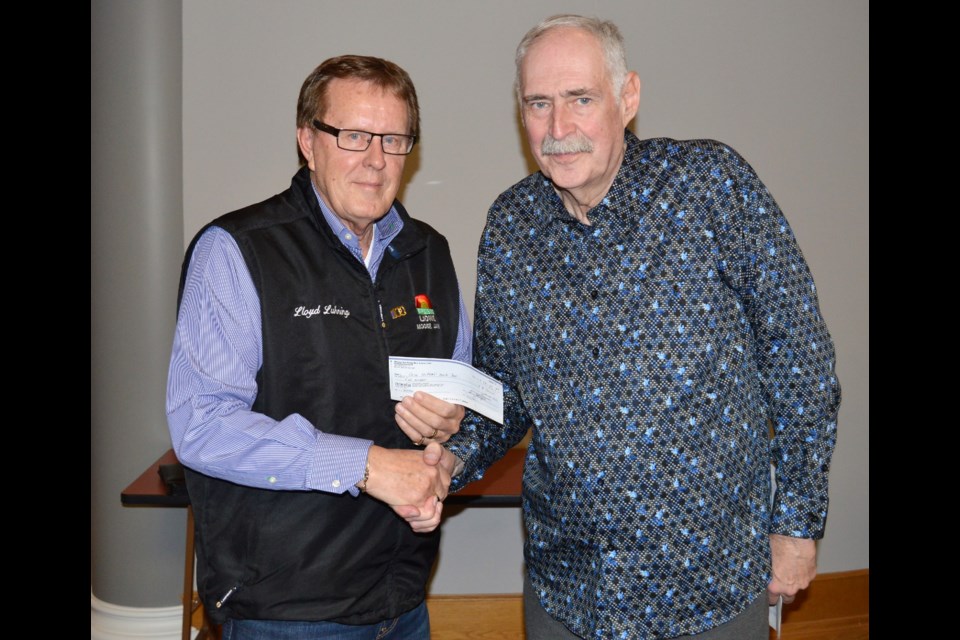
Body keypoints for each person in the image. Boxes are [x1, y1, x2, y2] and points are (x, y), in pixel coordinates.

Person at [443, 15, 841, 640]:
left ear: (628, 97)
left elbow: (800, 361)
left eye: (581, 99)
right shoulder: (510, 226)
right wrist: (445, 462)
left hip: (709, 591)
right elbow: (504, 393)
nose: (558, 128)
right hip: (567, 596)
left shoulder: (712, 185)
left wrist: (796, 524)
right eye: (538, 104)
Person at [166, 55, 472, 639]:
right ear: (308, 141)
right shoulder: (238, 252)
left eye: (394, 139)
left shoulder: (428, 253)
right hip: (285, 613)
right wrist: (368, 466)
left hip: (403, 603)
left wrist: (446, 444)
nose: (376, 160)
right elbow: (201, 425)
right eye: (353, 136)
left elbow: (456, 400)